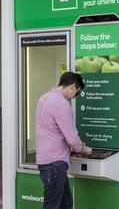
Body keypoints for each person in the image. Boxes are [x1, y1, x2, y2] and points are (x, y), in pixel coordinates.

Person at [36, 72, 92, 209]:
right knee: (53, 205)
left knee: (65, 203)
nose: (74, 97)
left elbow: (51, 130)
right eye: (77, 93)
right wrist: (83, 148)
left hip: (47, 160)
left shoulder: (44, 98)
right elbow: (72, 138)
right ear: (73, 86)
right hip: (55, 163)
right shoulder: (61, 103)